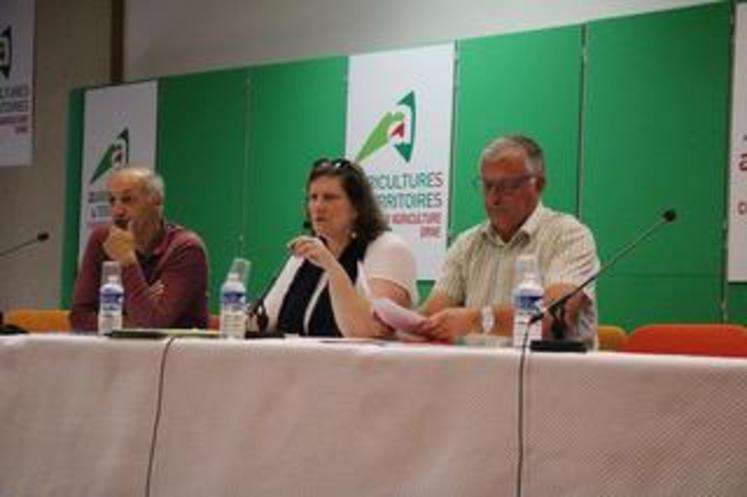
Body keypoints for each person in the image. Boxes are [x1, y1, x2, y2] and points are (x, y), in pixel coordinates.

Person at [417, 134, 600, 348]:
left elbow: (550, 317)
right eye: (487, 185)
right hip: (475, 374)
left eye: (507, 186)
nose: (493, 198)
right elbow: (434, 315)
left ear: (538, 184)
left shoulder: (569, 235)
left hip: (549, 375)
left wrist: (476, 321)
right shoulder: (466, 243)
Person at [251, 158, 417, 337]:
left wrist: (331, 266)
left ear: (357, 208)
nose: (318, 206)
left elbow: (369, 330)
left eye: (329, 198)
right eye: (313, 198)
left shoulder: (389, 249)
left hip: (358, 364)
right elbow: (264, 323)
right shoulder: (305, 255)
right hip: (296, 362)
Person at [69, 166, 209, 331]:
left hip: (175, 354)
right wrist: (135, 316)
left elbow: (154, 324)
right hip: (115, 351)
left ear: (157, 200)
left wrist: (127, 261)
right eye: (112, 200)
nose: (117, 211)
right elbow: (79, 316)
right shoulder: (102, 239)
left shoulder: (186, 248)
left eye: (127, 200)